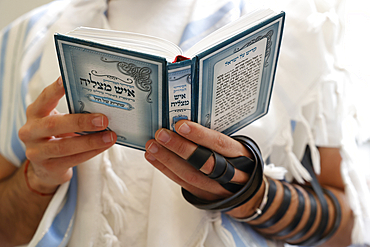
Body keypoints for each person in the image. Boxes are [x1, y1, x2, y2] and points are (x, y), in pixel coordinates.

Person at [0, 0, 369, 246]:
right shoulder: (23, 40)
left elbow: (345, 226)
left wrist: (250, 194)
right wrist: (36, 180)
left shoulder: (302, 34)